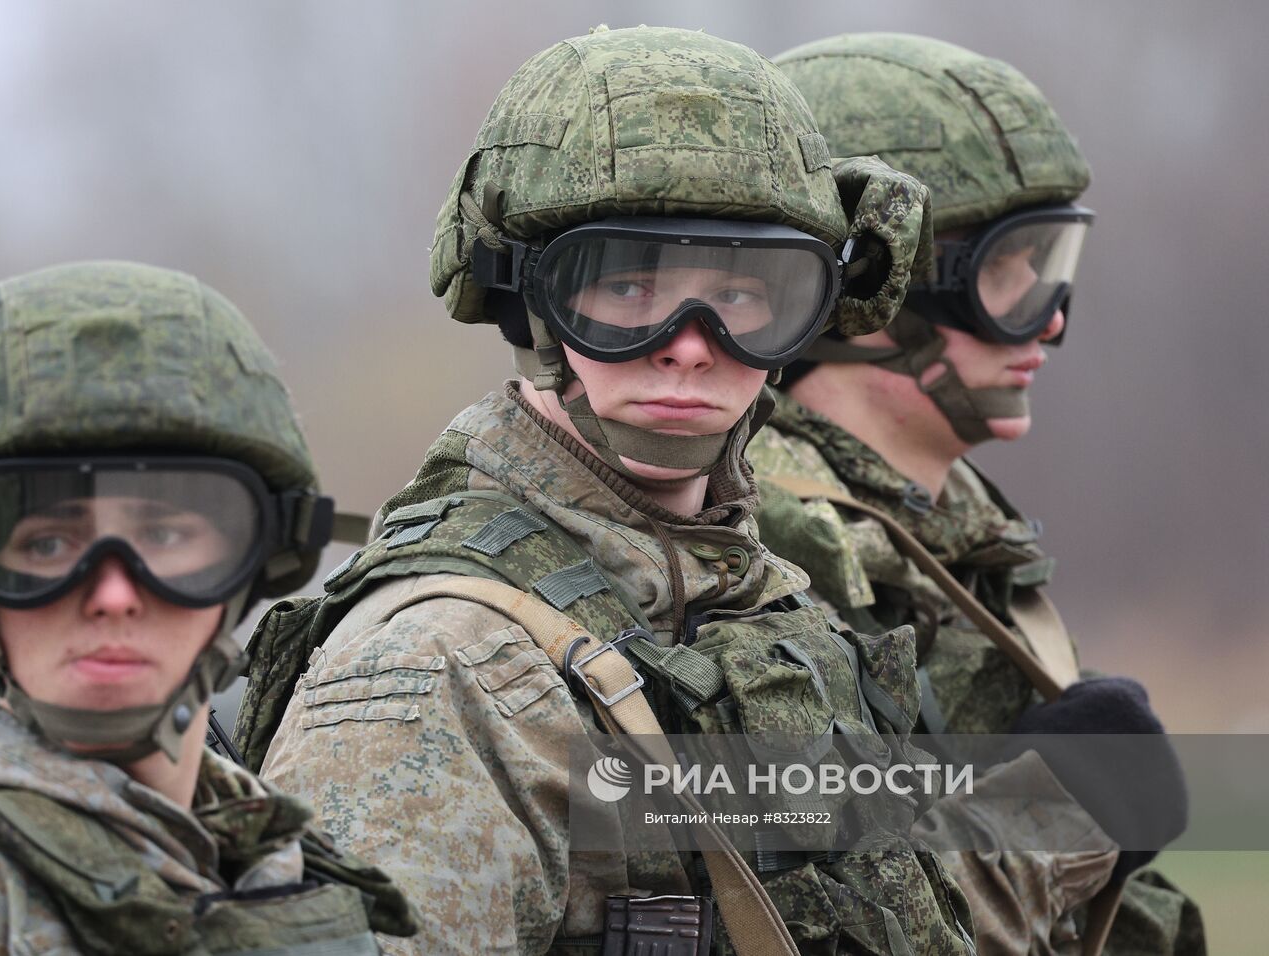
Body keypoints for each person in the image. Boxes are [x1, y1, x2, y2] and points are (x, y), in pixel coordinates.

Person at [243, 25, 982, 956]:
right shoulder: (443, 666)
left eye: (745, 295)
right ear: (532, 303)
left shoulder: (759, 600)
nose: (691, 344)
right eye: (630, 287)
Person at [750, 33, 1202, 955]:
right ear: (867, 296)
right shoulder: (766, 555)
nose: (1050, 317)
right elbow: (810, 922)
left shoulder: (952, 536)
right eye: (1004, 271)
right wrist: (1061, 809)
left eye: (1050, 263)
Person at [0, 260, 416, 955]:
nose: (113, 596)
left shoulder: (277, 864)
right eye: (48, 544)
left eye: (164, 537)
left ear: (251, 565)